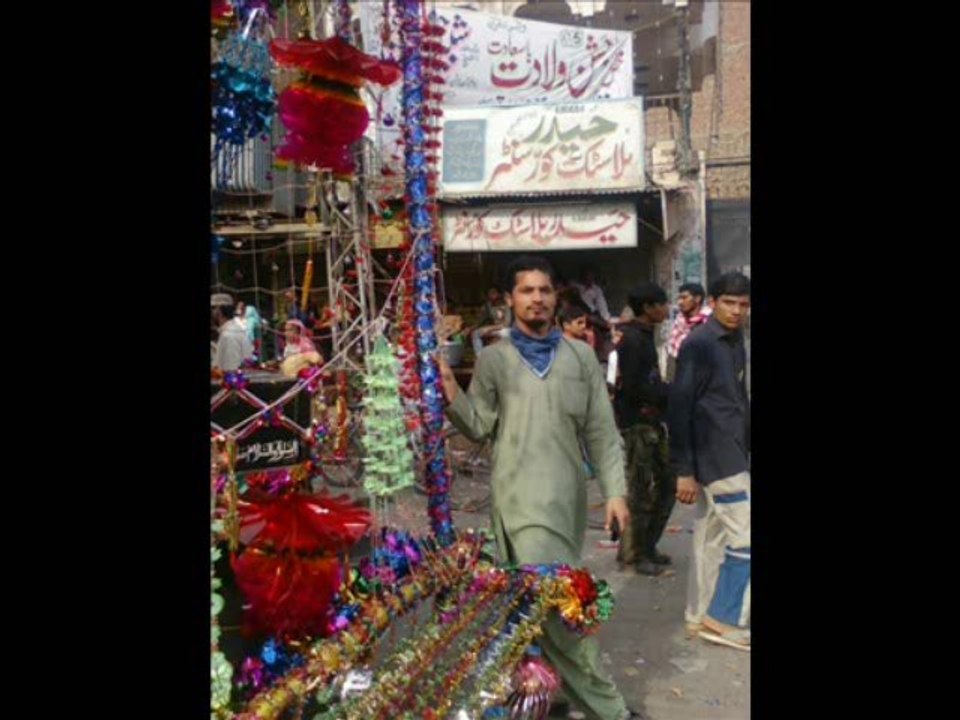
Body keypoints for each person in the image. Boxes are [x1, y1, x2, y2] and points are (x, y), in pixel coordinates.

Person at [438, 256, 642, 720]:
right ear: (510, 300)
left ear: (556, 297)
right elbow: (477, 426)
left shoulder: (580, 356)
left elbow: (602, 431)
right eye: (526, 291)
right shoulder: (494, 359)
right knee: (562, 608)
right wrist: (451, 388)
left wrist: (615, 491)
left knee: (536, 606)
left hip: (566, 501)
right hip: (518, 501)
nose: (536, 299)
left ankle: (546, 696)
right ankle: (609, 709)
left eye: (544, 291)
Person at [668, 272, 751, 652]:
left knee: (711, 537)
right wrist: (684, 469)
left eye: (744, 304)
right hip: (716, 456)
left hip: (731, 450)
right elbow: (680, 405)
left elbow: (736, 399)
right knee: (746, 539)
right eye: (730, 302)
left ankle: (698, 615)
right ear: (713, 302)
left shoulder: (735, 340)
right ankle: (727, 619)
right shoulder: (698, 344)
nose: (737, 311)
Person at [614, 282, 674, 576]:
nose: (666, 309)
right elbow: (635, 386)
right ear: (649, 307)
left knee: (665, 487)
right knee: (641, 491)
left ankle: (644, 547)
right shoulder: (633, 340)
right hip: (638, 425)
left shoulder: (643, 336)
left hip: (651, 422)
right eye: (662, 304)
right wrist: (664, 395)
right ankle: (635, 555)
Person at [666, 282, 712, 381]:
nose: (680, 302)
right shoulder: (680, 319)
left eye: (684, 297)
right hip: (676, 363)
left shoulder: (708, 321)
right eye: (679, 298)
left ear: (697, 299)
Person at [469, 286, 512, 355]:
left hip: (506, 329)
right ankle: (480, 356)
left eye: (493, 293)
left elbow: (507, 323)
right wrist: (470, 328)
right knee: (475, 333)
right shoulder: (488, 306)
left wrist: (490, 328)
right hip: (494, 329)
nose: (491, 295)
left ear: (499, 294)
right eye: (490, 293)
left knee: (506, 333)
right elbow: (480, 321)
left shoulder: (507, 305)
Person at [212, 303, 254, 372]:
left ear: (220, 314)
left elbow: (231, 367)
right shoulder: (237, 330)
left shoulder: (228, 335)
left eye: (214, 309)